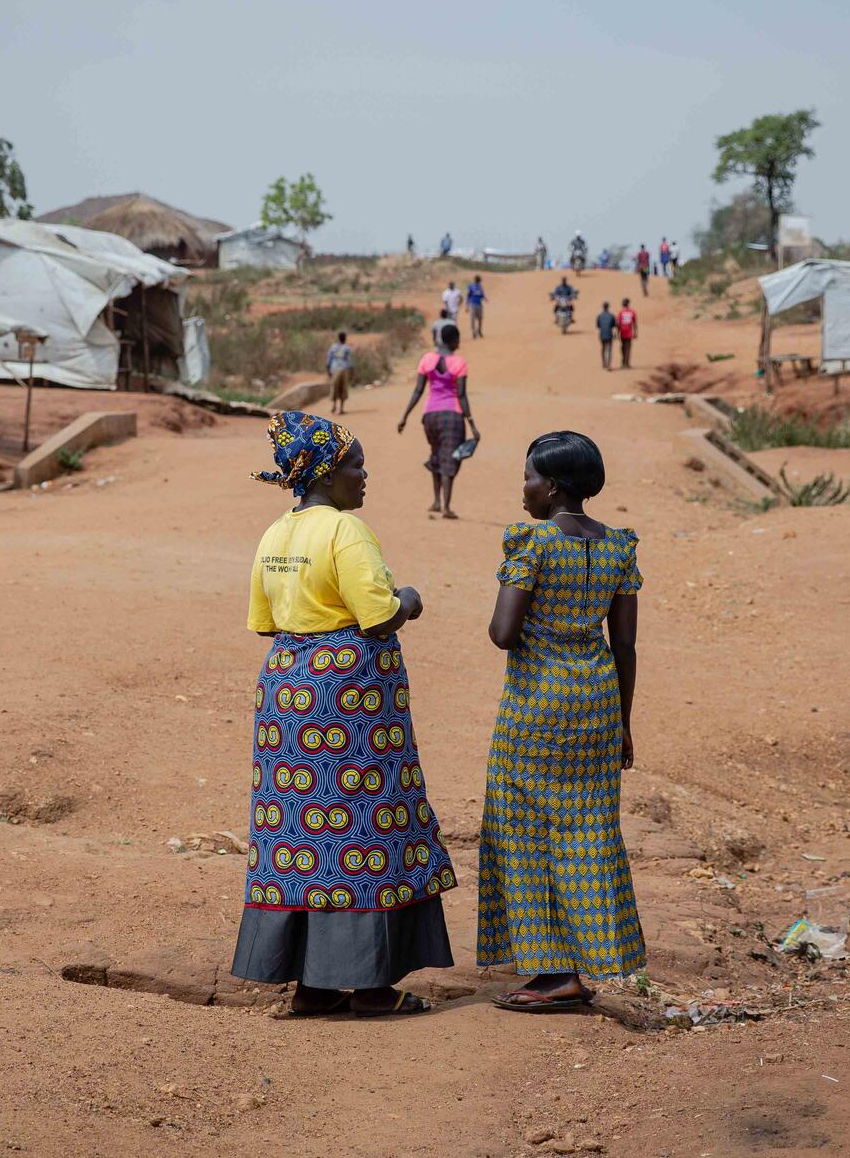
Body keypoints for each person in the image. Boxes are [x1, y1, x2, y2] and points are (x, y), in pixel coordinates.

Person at [236, 411, 457, 1016]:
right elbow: (378, 615)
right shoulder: (346, 530)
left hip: (288, 693)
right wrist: (409, 599)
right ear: (328, 472)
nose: (364, 475)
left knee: (297, 832)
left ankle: (312, 987)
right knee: (363, 826)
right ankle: (372, 987)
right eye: (356, 464)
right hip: (348, 699)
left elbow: (264, 621)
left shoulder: (275, 533)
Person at [478, 431, 645, 1010]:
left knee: (523, 828)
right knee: (588, 830)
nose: (523, 488)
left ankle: (553, 973)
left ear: (550, 487)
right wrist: (623, 723)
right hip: (598, 703)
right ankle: (585, 959)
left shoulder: (534, 544)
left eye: (528, 477)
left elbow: (503, 633)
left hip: (537, 707)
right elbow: (625, 646)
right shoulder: (619, 547)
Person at [397, 324, 478, 519]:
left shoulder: (426, 359)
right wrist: (472, 424)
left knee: (436, 454)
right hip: (452, 416)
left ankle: (436, 501)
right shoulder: (459, 363)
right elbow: (461, 395)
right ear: (454, 340)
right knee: (450, 459)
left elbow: (418, 391)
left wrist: (404, 416)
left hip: (430, 416)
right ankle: (446, 508)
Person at [325, 331, 354, 415]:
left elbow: (329, 360)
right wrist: (352, 372)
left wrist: (328, 370)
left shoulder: (333, 347)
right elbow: (350, 361)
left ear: (338, 338)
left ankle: (334, 406)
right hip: (344, 369)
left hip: (335, 369)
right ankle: (341, 409)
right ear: (345, 338)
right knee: (343, 388)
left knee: (334, 387)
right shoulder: (347, 348)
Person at [617, 298, 638, 368]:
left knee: (623, 348)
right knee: (628, 348)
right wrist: (635, 333)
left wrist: (617, 333)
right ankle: (627, 363)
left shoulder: (621, 312)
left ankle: (623, 363)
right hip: (629, 333)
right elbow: (635, 323)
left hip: (623, 332)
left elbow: (618, 324)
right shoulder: (632, 312)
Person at [596, 302, 618, 370]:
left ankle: (604, 363)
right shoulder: (612, 315)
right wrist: (615, 334)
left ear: (603, 307)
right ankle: (608, 365)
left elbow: (598, 326)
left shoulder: (599, 316)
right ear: (608, 307)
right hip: (609, 334)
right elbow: (614, 326)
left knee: (603, 349)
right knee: (609, 350)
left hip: (602, 334)